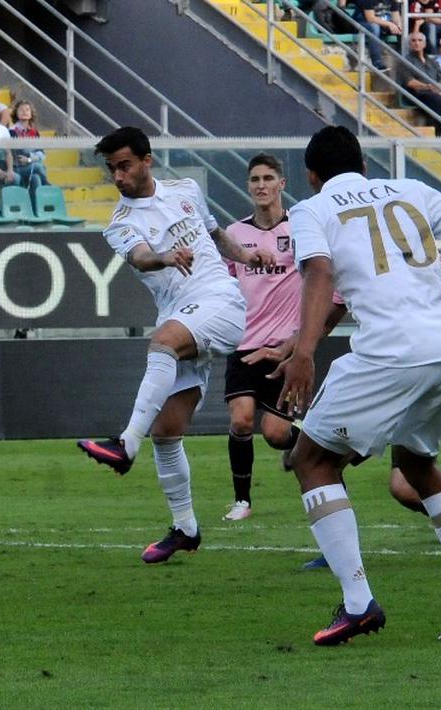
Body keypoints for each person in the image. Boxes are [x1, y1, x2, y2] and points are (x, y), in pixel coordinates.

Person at [277, 124, 441, 645]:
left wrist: (305, 353)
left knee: (311, 461)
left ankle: (358, 604)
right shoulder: (413, 190)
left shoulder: (313, 208)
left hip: (390, 350)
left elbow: (319, 271)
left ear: (312, 176)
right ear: (362, 163)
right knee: (417, 465)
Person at [77, 126, 275, 564]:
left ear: (147, 161)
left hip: (219, 302)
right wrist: (166, 257)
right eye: (111, 169)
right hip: (182, 314)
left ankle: (126, 444)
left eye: (124, 166)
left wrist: (246, 257)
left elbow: (215, 234)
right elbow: (142, 258)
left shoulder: (185, 189)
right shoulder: (120, 223)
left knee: (162, 343)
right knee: (167, 433)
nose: (118, 177)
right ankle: (185, 528)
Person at [295, 257, 441, 569]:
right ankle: (338, 550)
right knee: (324, 459)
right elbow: (328, 316)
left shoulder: (429, 260)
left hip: (420, 377)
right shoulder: (355, 256)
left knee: (403, 487)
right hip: (386, 376)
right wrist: (294, 349)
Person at [216, 154, 300, 522]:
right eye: (254, 179)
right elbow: (222, 283)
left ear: (282, 184)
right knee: (241, 421)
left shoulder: (301, 230)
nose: (261, 185)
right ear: (248, 186)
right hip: (244, 344)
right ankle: (242, 502)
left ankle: (309, 447)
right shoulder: (235, 235)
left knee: (277, 434)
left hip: (285, 347)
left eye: (268, 178)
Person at [399, 32, 441, 135]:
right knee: (436, 99)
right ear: (409, 44)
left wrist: (440, 86)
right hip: (417, 94)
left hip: (436, 93)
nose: (417, 43)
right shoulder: (405, 61)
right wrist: (429, 86)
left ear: (425, 44)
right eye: (413, 41)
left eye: (420, 40)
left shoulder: (432, 61)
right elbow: (409, 82)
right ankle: (439, 134)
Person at [8, 100, 50, 191]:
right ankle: (47, 187)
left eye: (27, 110)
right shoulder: (12, 131)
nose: (24, 112)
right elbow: (19, 155)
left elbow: (42, 154)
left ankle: (37, 204)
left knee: (36, 178)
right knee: (39, 167)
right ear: (16, 113)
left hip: (30, 165)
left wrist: (30, 159)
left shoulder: (34, 132)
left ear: (31, 114)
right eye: (21, 110)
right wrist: (33, 156)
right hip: (16, 167)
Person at [349, 0, 401, 71]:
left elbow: (396, 19)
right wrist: (389, 24)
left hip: (381, 23)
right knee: (374, 27)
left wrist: (398, 26)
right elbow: (370, 18)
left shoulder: (393, 1)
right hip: (362, 23)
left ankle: (403, 61)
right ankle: (377, 63)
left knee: (400, 29)